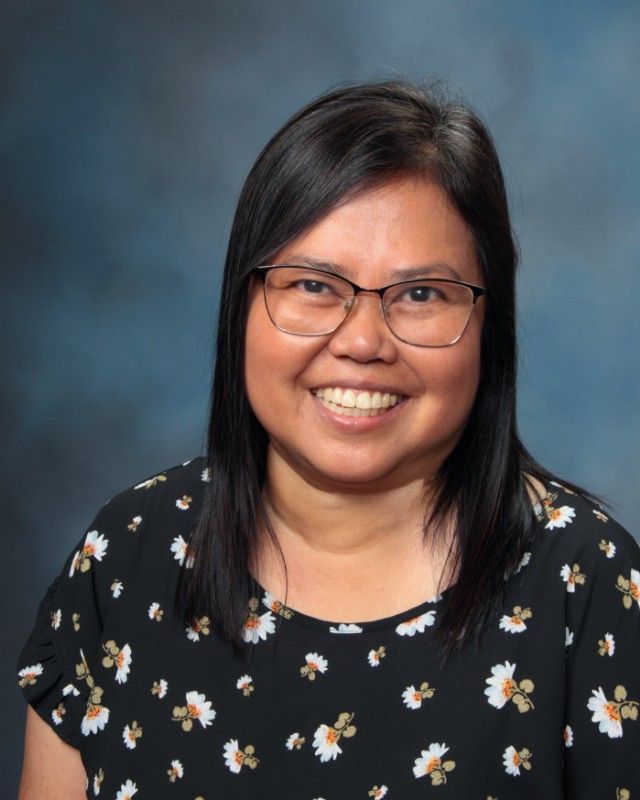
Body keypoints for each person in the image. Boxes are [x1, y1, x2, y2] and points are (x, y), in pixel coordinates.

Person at [17, 78, 639, 799]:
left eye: (422, 294)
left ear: (488, 330)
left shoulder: (590, 588)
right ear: (241, 303)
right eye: (314, 285)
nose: (364, 341)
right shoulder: (129, 554)